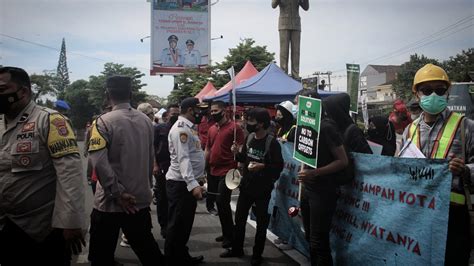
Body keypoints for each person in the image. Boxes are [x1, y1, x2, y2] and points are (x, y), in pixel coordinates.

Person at [0, 66, 85, 265]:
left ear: (23, 92)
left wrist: (71, 222)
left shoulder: (50, 121)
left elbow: (69, 174)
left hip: (41, 228)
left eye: (2, 89)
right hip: (6, 224)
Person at [87, 76, 165, 266]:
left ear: (107, 95)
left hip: (110, 203)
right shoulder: (147, 122)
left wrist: (118, 193)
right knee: (149, 252)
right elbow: (149, 158)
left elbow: (98, 162)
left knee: (100, 256)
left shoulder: (102, 122)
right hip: (138, 201)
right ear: (131, 94)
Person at [400, 63, 473, 265]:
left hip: (453, 216)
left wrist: (465, 169)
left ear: (447, 93)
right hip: (417, 213)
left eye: (439, 90)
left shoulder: (465, 126)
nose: (433, 95)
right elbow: (399, 170)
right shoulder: (409, 130)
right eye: (427, 90)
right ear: (417, 95)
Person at [221, 107, 284, 266]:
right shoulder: (249, 138)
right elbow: (244, 158)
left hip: (263, 189)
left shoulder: (272, 143)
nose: (247, 123)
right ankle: (237, 248)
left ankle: (257, 254)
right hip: (246, 186)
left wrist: (262, 167)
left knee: (261, 223)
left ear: (261, 124)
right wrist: (236, 152)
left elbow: (278, 166)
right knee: (240, 219)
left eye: (251, 121)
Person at [296, 89, 349, 266]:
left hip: (324, 191)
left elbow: (342, 161)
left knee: (319, 240)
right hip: (308, 190)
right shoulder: (305, 127)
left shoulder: (326, 127)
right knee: (310, 236)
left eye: (299, 103)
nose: (297, 108)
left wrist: (314, 173)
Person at [165, 97, 206, 265]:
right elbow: (183, 159)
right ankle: (171, 259)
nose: (201, 113)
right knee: (177, 224)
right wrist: (193, 184)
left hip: (187, 183)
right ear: (190, 110)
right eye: (199, 109)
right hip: (181, 184)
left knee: (184, 224)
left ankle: (181, 255)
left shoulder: (189, 128)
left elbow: (194, 155)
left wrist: (198, 177)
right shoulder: (180, 129)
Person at [205, 101, 244, 249]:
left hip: (228, 171)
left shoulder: (235, 129)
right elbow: (208, 148)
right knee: (219, 203)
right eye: (212, 111)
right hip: (213, 170)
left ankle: (229, 235)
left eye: (216, 111)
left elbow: (241, 150)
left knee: (222, 201)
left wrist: (237, 152)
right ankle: (226, 231)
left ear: (224, 111)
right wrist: (205, 166)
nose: (213, 113)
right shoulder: (211, 129)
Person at [153, 103, 180, 238]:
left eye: (177, 113)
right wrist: (155, 165)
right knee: (162, 198)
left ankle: (172, 225)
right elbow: (152, 148)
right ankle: (164, 226)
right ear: (167, 115)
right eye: (173, 113)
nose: (175, 116)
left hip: (176, 170)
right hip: (162, 168)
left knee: (174, 199)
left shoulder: (182, 129)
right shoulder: (159, 128)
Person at [271, 0, 309, 78]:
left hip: (296, 24)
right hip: (283, 24)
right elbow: (273, 5)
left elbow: (306, 7)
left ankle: (295, 74)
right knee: (284, 52)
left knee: (296, 51)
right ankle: (283, 74)